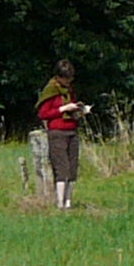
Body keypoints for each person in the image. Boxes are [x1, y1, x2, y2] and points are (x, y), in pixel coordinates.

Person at [36, 60, 91, 209]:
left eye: (70, 78)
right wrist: (63, 108)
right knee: (62, 168)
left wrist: (79, 110)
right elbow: (43, 114)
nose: (68, 81)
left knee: (72, 168)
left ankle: (68, 202)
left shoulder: (70, 90)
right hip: (57, 132)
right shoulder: (51, 90)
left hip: (71, 130)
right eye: (66, 78)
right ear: (58, 77)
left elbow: (71, 110)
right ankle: (60, 203)